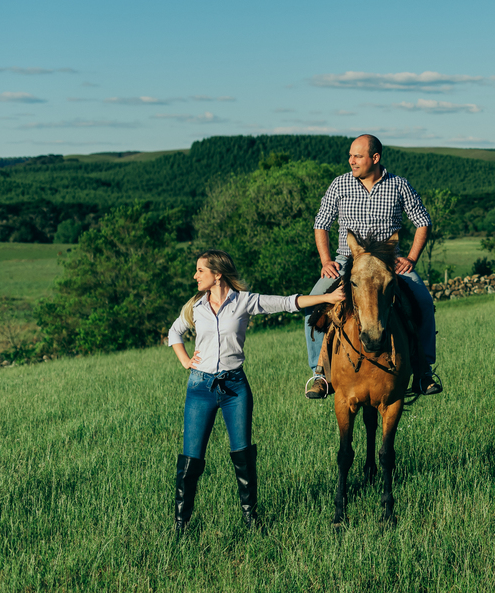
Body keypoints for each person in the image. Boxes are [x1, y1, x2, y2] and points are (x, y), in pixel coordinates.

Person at [169, 249, 344, 532]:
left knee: (243, 455)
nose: (195, 275)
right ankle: (181, 524)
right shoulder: (195, 307)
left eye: (200, 270)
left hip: (235, 388)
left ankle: (251, 520)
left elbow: (289, 303)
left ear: (217, 274)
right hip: (200, 388)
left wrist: (326, 298)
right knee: (192, 459)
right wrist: (186, 360)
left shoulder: (244, 302)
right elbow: (175, 332)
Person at [303, 134, 442, 399]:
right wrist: (326, 261)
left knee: (423, 301)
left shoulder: (399, 186)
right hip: (347, 261)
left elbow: (423, 221)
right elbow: (321, 224)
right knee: (312, 305)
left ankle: (423, 370)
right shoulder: (340, 184)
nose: (351, 161)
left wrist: (411, 258)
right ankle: (320, 374)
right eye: (350, 155)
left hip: (387, 262)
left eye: (357, 156)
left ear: (375, 158)